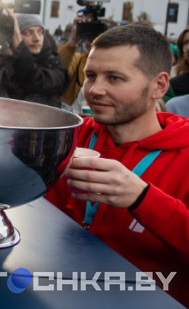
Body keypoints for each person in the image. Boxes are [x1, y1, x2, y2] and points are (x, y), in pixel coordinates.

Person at [45, 25, 189, 307]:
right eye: (90, 76)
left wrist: (143, 198)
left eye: (115, 78)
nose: (95, 90)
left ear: (159, 86)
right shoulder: (70, 135)